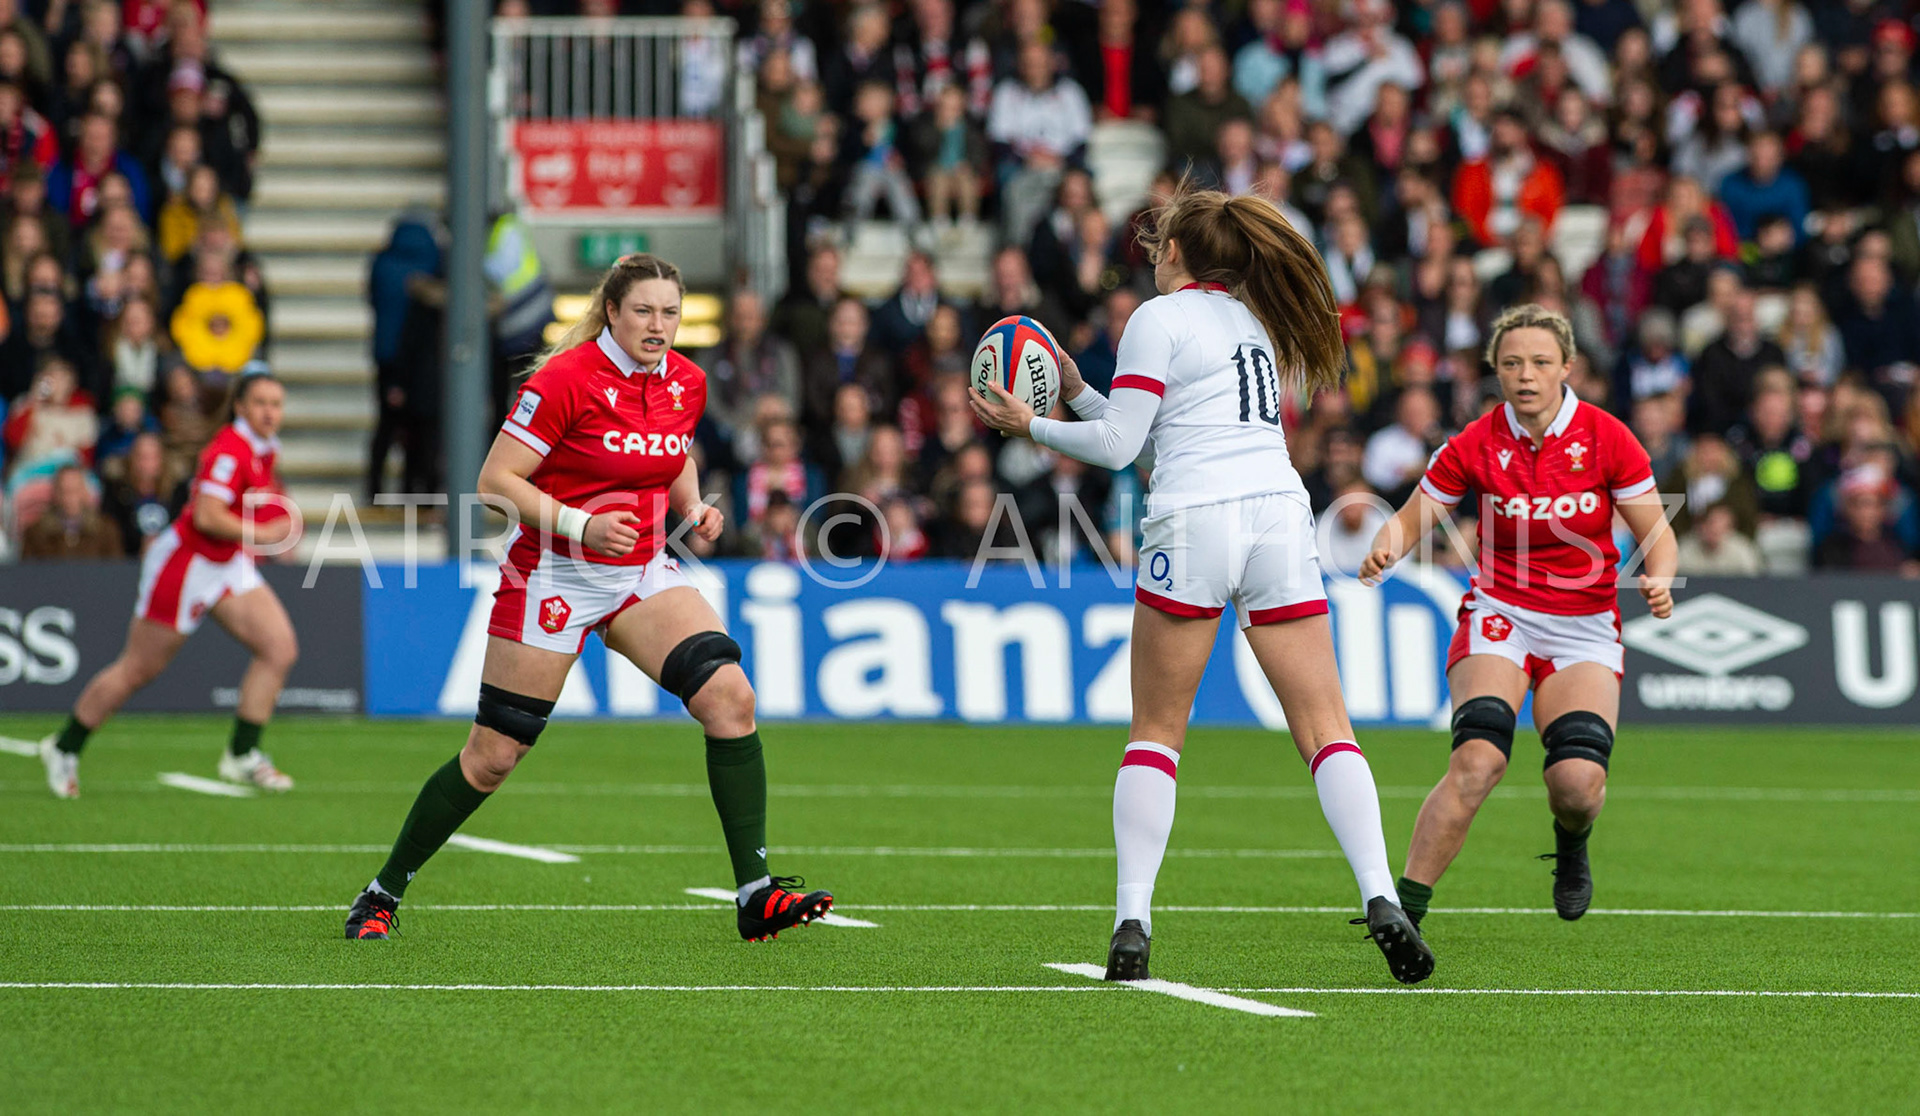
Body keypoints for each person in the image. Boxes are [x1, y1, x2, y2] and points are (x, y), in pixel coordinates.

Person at [969, 187, 1434, 986]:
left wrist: (1031, 424)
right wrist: (1079, 389)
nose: (1150, 256)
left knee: (1156, 731)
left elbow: (1121, 450)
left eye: (1156, 246)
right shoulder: (1250, 319)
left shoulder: (1157, 319)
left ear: (1177, 252)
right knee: (1327, 728)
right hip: (1278, 516)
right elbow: (1154, 429)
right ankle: (1381, 894)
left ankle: (1132, 920)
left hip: (1193, 522)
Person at [343, 255, 835, 944]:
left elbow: (673, 452)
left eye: (670, 312)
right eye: (643, 311)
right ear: (611, 310)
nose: (658, 326)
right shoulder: (565, 381)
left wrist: (691, 504)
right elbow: (495, 480)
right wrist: (584, 525)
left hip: (637, 573)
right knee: (493, 756)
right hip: (553, 573)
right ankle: (382, 891)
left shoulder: (686, 382)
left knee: (730, 700)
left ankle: (755, 893)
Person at [1358, 304, 1679, 929]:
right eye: (1511, 363)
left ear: (1568, 367)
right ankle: (1401, 915)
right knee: (1479, 758)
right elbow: (1414, 513)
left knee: (1578, 785)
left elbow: (1657, 534)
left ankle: (1572, 843)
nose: (1525, 375)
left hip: (1584, 623)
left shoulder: (1607, 437)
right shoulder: (1475, 443)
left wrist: (1659, 576)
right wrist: (1387, 545)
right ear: (1495, 372)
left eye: (1538, 362)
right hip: (1500, 612)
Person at [37, 370, 301, 799]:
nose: (270, 412)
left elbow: (252, 500)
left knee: (279, 647)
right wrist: (265, 533)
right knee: (138, 669)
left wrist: (276, 517)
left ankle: (242, 754)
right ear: (239, 408)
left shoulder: (264, 446)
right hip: (188, 564)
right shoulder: (230, 450)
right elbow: (206, 516)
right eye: (260, 403)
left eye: (276, 403)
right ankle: (65, 746)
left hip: (225, 560)